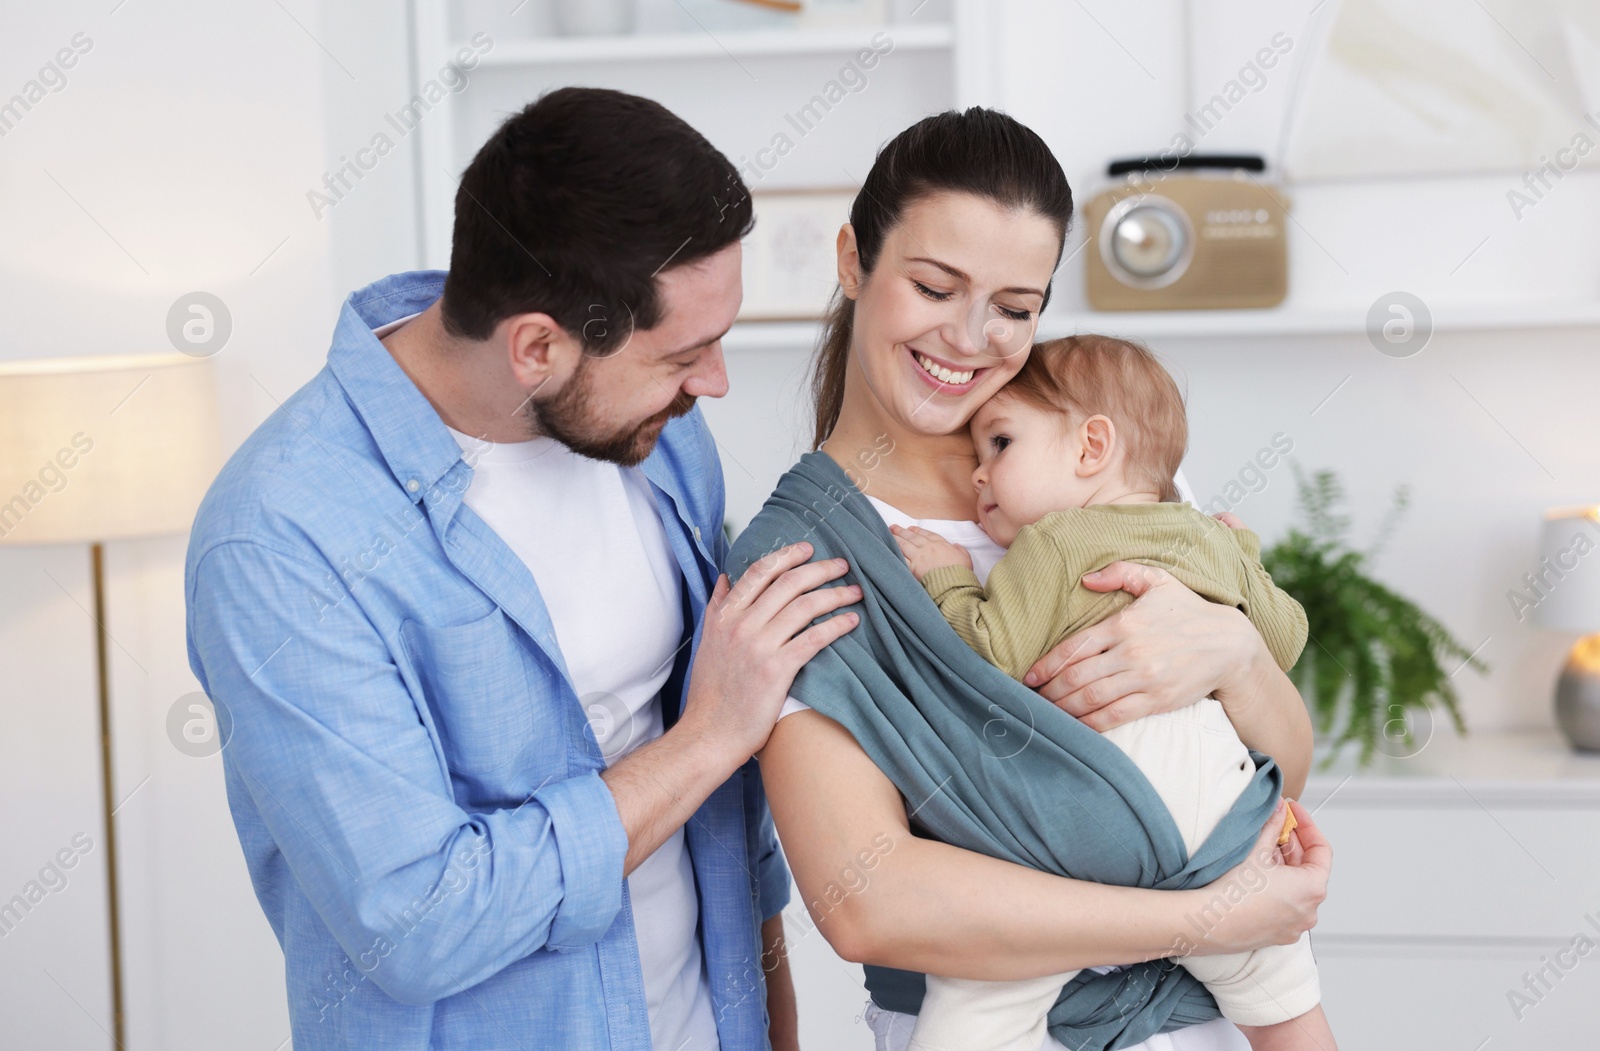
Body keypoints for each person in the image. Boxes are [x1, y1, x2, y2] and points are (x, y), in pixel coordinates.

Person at [184, 86, 860, 1050]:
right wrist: (710, 736)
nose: (711, 384)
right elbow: (418, 920)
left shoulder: (656, 438)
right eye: (686, 354)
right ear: (536, 346)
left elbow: (730, 829)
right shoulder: (280, 540)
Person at [735, 107, 1333, 1051]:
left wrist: (1233, 654)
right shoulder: (799, 562)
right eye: (936, 286)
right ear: (853, 260)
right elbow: (873, 902)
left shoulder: (1111, 470)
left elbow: (1271, 779)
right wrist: (1207, 921)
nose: (971, 338)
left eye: (1016, 307)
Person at [889, 334, 1336, 1051]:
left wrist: (948, 578)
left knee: (983, 997)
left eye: (1000, 443)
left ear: (1091, 447)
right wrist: (1245, 563)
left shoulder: (1054, 542)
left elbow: (990, 658)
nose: (979, 474)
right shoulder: (1206, 534)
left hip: (1086, 831)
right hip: (1223, 829)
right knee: (1282, 993)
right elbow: (1284, 639)